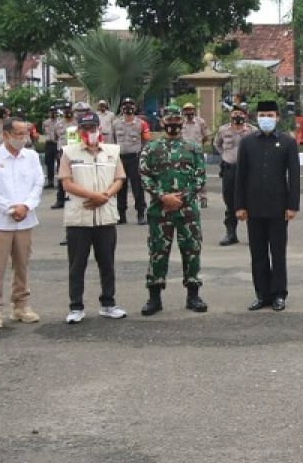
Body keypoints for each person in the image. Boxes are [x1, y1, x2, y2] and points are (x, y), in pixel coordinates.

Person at [57, 112, 128, 324]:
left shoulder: (112, 152)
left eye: (93, 128)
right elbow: (67, 183)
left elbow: (119, 178)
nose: (90, 132)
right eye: (85, 128)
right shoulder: (69, 152)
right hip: (80, 217)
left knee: (107, 263)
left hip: (105, 217)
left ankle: (108, 303)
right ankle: (76, 306)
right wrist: (93, 196)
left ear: (99, 129)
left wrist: (105, 196)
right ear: (79, 131)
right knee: (77, 264)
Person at [139, 106, 208, 316]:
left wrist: (182, 198)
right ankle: (154, 298)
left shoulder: (193, 147)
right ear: (161, 122)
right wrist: (162, 196)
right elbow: (144, 175)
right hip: (160, 210)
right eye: (169, 120)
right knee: (158, 252)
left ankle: (193, 295)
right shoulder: (152, 148)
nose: (173, 123)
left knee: (191, 250)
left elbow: (200, 176)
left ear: (182, 122)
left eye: (177, 120)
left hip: (187, 210)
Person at [234, 100, 301, 312]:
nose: (266, 118)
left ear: (278, 117)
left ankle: (279, 294)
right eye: (263, 114)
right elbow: (240, 176)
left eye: (270, 115)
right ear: (256, 117)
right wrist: (239, 206)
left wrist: (293, 206)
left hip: (279, 207)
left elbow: (295, 176)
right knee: (258, 253)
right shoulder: (247, 142)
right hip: (253, 208)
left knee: (278, 253)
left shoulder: (288, 142)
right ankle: (262, 294)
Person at [0, 117, 44, 329]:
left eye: (25, 133)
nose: (23, 138)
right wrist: (11, 208)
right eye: (18, 134)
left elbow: (38, 184)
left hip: (25, 220)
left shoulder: (31, 157)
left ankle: (21, 305)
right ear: (5, 135)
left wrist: (26, 206)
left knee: (22, 265)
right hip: (1, 222)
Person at [213, 104, 253, 246]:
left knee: (250, 202)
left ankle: (254, 235)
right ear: (230, 115)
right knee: (230, 202)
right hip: (229, 169)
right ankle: (231, 234)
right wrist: (226, 156)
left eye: (240, 114)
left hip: (248, 171)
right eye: (235, 113)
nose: (237, 116)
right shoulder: (223, 130)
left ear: (245, 116)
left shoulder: (252, 131)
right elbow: (217, 145)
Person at [110, 96, 150, 225]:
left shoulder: (141, 123)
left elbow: (146, 140)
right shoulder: (115, 123)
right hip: (120, 159)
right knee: (120, 187)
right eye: (125, 106)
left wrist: (143, 156)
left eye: (131, 106)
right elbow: (112, 141)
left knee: (137, 187)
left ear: (135, 108)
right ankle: (121, 215)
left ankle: (140, 214)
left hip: (135, 158)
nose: (128, 108)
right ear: (121, 108)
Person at [41, 106, 61, 189]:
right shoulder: (45, 122)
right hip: (49, 144)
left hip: (57, 144)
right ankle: (50, 182)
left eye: (54, 112)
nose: (52, 113)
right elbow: (43, 132)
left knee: (59, 163)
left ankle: (60, 182)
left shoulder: (60, 122)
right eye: (51, 112)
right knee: (49, 163)